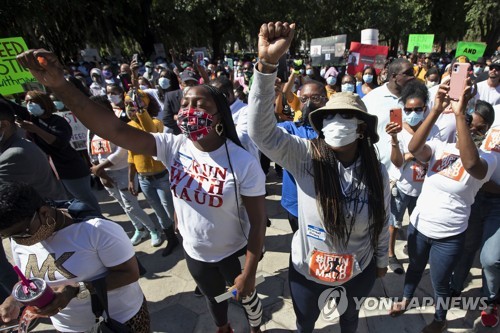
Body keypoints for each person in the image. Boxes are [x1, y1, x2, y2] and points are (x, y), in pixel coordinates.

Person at [17, 49, 268, 333]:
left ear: (219, 113)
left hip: (233, 252)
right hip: (195, 251)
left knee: (247, 297)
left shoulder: (242, 162)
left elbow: (258, 223)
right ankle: (224, 329)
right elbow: (114, 130)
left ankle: (256, 327)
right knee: (214, 298)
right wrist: (61, 86)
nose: (189, 109)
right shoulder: (174, 147)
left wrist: (249, 272)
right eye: (185, 103)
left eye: (200, 103)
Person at [247, 22, 389, 333]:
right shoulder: (304, 155)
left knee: (349, 319)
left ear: (362, 128)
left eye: (347, 117)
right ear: (320, 124)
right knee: (305, 323)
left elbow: (382, 219)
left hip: (358, 270)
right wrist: (267, 65)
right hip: (306, 271)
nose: (337, 123)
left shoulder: (376, 172)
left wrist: (380, 262)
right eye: (329, 117)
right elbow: (260, 132)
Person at [390, 81, 497, 333]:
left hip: (448, 236)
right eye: (470, 124)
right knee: (415, 267)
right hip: (420, 226)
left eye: (479, 131)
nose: (472, 132)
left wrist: (459, 114)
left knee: (439, 282)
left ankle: (440, 319)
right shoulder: (442, 147)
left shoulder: (488, 160)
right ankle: (406, 298)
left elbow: (470, 165)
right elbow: (415, 148)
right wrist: (436, 109)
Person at [0, 182, 150, 333]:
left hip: (120, 321)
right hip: (68, 328)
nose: (20, 241)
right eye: (9, 236)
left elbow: (129, 273)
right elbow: (26, 278)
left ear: (44, 213)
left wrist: (77, 289)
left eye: (23, 233)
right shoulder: (18, 239)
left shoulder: (96, 230)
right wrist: (15, 299)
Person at [88, 95, 162, 247]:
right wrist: (100, 172)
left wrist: (101, 166)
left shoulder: (119, 124)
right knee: (123, 205)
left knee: (131, 206)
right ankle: (139, 229)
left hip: (121, 171)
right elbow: (91, 150)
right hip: (104, 173)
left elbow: (122, 150)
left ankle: (153, 229)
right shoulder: (92, 129)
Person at [14, 91, 100, 213]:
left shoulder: (57, 121)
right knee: (70, 203)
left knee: (84, 199)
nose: (28, 105)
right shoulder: (33, 120)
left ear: (43, 103)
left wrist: (36, 130)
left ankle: (99, 221)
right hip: (53, 171)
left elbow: (60, 143)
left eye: (32, 101)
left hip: (71, 168)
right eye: (26, 102)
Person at [384, 80, 429, 275]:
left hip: (424, 188)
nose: (412, 113)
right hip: (401, 186)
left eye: (417, 109)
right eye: (408, 109)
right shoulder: (399, 130)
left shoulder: (430, 128)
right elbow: (397, 162)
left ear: (424, 108)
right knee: (394, 223)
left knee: (418, 222)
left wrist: (411, 155)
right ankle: (390, 254)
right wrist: (394, 140)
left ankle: (413, 251)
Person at [277, 81, 324, 233]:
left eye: (315, 98)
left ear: (325, 100)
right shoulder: (290, 128)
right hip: (295, 206)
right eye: (304, 99)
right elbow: (264, 132)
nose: (309, 103)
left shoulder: (333, 129)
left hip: (325, 205)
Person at [363, 58, 415, 172]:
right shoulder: (371, 100)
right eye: (408, 73)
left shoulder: (417, 99)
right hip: (382, 171)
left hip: (411, 174)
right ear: (394, 76)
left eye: (413, 73)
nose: (413, 77)